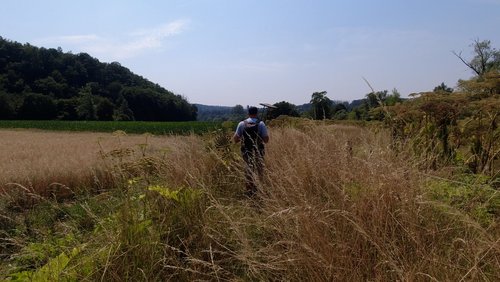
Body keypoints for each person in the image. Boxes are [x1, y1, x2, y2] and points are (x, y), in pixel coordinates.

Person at [233, 106, 269, 197]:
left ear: (248, 113)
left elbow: (235, 139)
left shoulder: (242, 123)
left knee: (248, 169)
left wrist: (244, 138)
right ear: (257, 113)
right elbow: (266, 140)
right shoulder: (261, 124)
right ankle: (261, 190)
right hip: (258, 151)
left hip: (246, 151)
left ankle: (249, 190)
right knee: (259, 169)